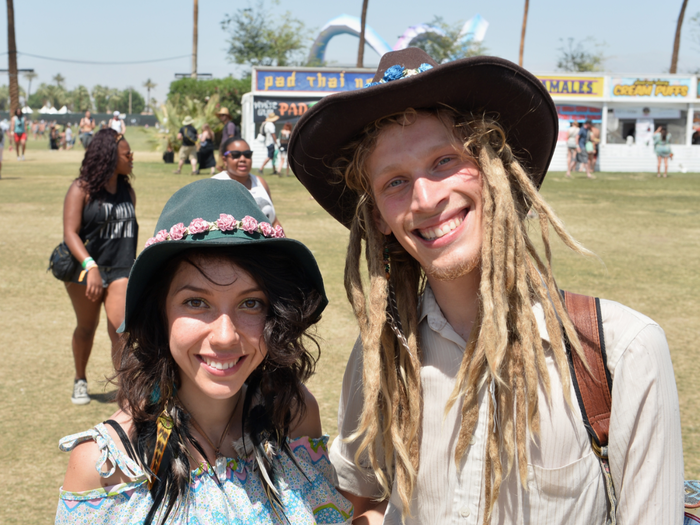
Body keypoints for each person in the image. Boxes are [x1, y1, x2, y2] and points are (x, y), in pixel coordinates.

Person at [289, 48, 684, 524]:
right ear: (379, 217)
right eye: (395, 181)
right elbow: (362, 496)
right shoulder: (382, 357)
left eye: (444, 161)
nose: (427, 197)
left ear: (495, 169)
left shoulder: (620, 352)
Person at [55, 179, 353, 525]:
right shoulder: (103, 467)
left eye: (251, 303)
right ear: (159, 314)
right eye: (196, 302)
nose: (225, 336)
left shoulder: (292, 417)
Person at [62, 128, 138, 405]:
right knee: (86, 327)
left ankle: (127, 388)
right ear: (109, 156)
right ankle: (80, 380)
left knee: (121, 329)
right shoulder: (81, 189)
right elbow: (70, 232)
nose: (132, 157)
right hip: (86, 269)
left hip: (120, 268)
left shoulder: (127, 191)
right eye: (126, 153)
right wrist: (90, 265)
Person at [213, 137, 281, 228]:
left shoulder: (260, 182)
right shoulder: (215, 184)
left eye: (247, 154)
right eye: (235, 155)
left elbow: (274, 221)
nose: (242, 159)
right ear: (225, 160)